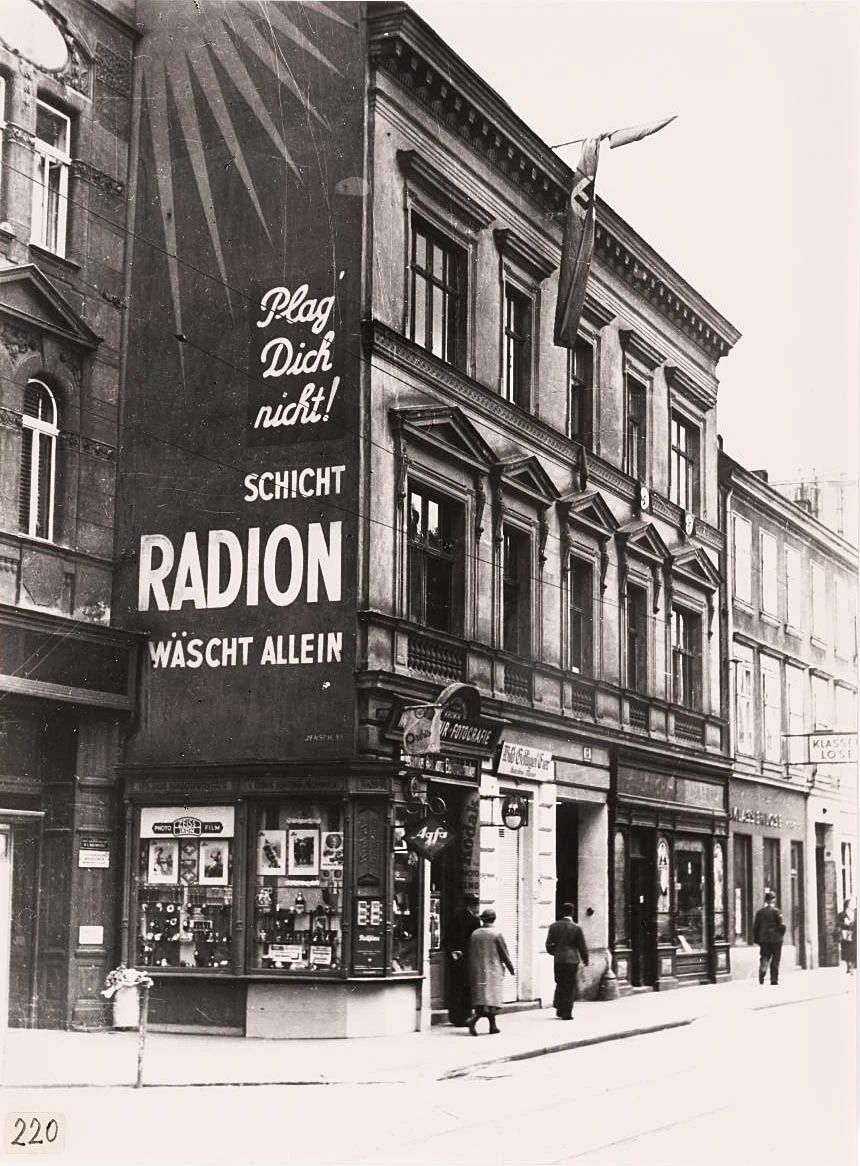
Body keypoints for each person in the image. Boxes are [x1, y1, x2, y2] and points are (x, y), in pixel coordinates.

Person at [467, 908, 515, 1035]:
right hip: (493, 970)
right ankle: (473, 1020)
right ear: (494, 919)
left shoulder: (475, 933)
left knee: (484, 999)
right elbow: (504, 953)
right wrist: (511, 968)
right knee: (492, 999)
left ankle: (493, 1026)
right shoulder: (496, 934)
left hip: (478, 970)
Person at [545, 902, 589, 1020]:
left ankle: (559, 1009)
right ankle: (567, 1012)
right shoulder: (576, 928)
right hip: (572, 961)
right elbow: (582, 946)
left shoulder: (554, 926)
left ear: (562, 912)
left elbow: (548, 945)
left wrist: (556, 952)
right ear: (572, 912)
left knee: (560, 983)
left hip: (559, 960)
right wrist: (585, 959)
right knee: (569, 986)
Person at [446, 893, 481, 1026]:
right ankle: (464, 1016)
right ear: (473, 906)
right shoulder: (474, 920)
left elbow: (447, 938)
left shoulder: (454, 917)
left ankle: (454, 1016)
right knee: (466, 988)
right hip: (467, 958)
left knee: (455, 987)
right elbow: (475, 941)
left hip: (454, 957)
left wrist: (453, 951)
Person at [753, 890, 786, 985]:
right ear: (773, 900)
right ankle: (774, 979)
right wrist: (781, 934)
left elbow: (755, 927)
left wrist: (757, 939)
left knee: (765, 956)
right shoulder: (777, 911)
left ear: (766, 900)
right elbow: (782, 925)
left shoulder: (760, 912)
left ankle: (762, 970)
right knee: (775, 959)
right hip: (776, 939)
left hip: (764, 939)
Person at [836, 898, 856, 974]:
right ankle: (849, 966)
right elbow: (838, 923)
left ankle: (852, 967)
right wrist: (845, 923)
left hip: (854, 934)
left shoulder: (856, 913)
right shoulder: (841, 914)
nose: (853, 905)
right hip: (845, 935)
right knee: (846, 951)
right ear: (847, 905)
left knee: (854, 950)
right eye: (851, 904)